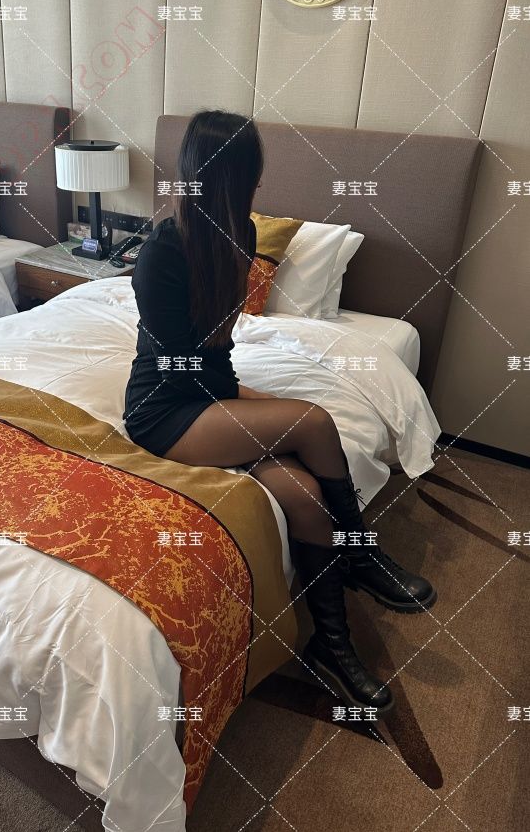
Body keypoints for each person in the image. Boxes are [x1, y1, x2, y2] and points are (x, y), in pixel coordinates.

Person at [123, 110, 436, 713]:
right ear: (234, 177)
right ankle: (359, 554)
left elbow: (218, 347)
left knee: (305, 495)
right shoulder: (162, 249)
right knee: (312, 421)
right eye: (253, 172)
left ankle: (331, 646)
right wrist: (250, 410)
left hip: (210, 397)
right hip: (164, 409)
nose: (261, 183)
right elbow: (175, 363)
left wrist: (246, 404)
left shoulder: (238, 234)